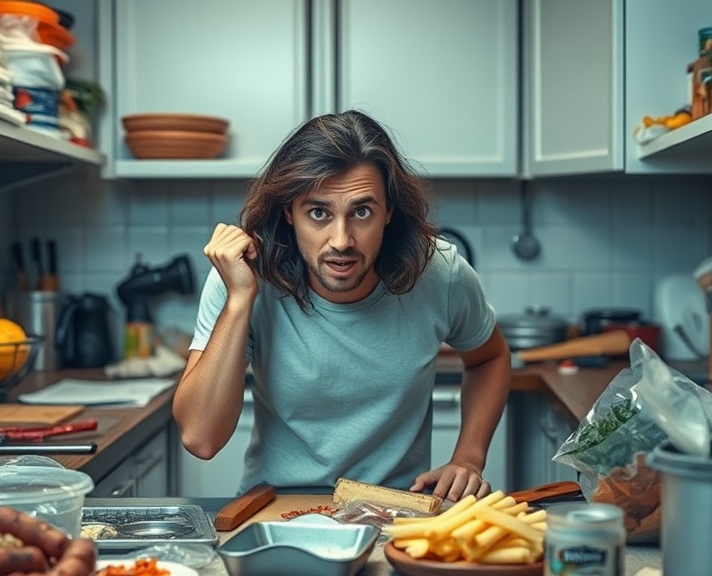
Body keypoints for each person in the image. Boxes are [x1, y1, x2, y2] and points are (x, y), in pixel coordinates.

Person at [173, 110, 510, 501]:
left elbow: (489, 357)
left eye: (361, 212)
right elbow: (200, 438)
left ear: (388, 212)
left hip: (398, 511)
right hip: (274, 505)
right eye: (318, 213)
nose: (341, 240)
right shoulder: (243, 276)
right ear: (289, 212)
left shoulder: (440, 273)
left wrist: (468, 458)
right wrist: (239, 299)